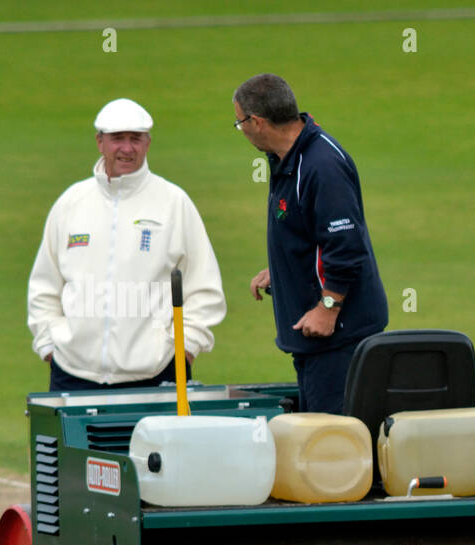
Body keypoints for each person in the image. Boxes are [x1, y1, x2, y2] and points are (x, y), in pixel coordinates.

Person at [27, 98, 226, 390]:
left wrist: (186, 347)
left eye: (136, 139)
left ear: (148, 143)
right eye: (117, 139)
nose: (127, 148)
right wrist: (48, 344)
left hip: (155, 374)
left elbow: (204, 287)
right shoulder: (71, 202)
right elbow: (44, 285)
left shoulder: (173, 202)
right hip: (72, 372)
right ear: (100, 142)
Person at [233, 74, 388, 414]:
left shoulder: (320, 165)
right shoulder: (289, 157)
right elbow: (310, 233)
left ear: (257, 122)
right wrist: (283, 269)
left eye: (240, 121)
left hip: (337, 340)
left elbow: (346, 244)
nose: (240, 129)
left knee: (334, 446)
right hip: (316, 340)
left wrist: (328, 307)